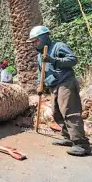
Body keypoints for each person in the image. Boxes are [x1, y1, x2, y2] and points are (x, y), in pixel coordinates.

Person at [27, 25, 90, 156]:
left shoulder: (58, 46)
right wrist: (40, 86)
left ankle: (81, 144)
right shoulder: (40, 56)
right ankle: (68, 137)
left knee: (70, 112)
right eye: (32, 42)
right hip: (54, 86)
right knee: (57, 113)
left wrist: (53, 60)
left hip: (66, 83)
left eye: (36, 40)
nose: (34, 44)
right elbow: (41, 73)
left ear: (44, 38)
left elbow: (72, 60)